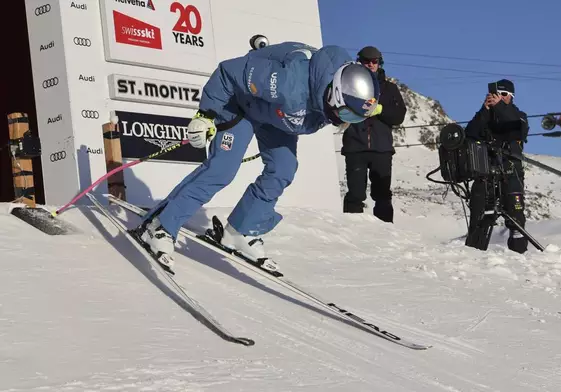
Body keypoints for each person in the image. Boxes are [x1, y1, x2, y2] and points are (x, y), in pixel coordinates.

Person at [138, 41, 381, 273]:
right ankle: (160, 225)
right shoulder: (288, 83)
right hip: (240, 105)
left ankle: (240, 231)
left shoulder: (329, 102)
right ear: (334, 94)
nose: (343, 121)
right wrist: (206, 115)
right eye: (347, 115)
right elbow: (228, 72)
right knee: (222, 170)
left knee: (283, 169)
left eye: (354, 119)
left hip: (273, 117)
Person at [341, 46, 407, 223]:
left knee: (383, 195)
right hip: (355, 146)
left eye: (374, 61)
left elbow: (399, 115)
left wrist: (380, 110)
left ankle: (385, 234)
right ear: (359, 62)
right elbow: (336, 109)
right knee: (355, 194)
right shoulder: (347, 84)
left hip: (381, 149)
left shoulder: (390, 88)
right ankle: (351, 233)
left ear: (379, 63)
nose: (370, 64)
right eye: (366, 61)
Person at [463, 79, 529, 254]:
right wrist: (485, 110)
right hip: (486, 171)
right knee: (478, 216)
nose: (499, 97)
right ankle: (473, 253)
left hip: (510, 171)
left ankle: (519, 253)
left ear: (511, 97)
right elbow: (469, 134)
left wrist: (500, 106)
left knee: (515, 217)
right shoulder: (485, 116)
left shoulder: (519, 115)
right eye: (496, 94)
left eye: (504, 94)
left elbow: (518, 128)